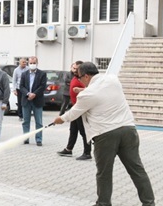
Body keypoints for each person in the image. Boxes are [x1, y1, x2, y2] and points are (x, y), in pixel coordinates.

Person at [53, 62, 155, 206]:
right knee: (137, 170)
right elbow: (101, 93)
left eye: (80, 77)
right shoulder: (113, 79)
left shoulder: (87, 94)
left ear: (87, 76)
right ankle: (149, 203)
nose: (80, 80)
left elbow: (74, 113)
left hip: (106, 135)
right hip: (128, 130)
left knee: (104, 173)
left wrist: (60, 118)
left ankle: (103, 203)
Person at [57, 61, 91, 160]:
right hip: (75, 107)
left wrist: (80, 90)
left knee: (83, 132)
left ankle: (87, 152)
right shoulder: (75, 77)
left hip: (81, 109)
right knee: (73, 130)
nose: (74, 70)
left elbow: (92, 90)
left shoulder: (84, 79)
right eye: (74, 68)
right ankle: (68, 149)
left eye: (77, 69)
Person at [19, 56, 47, 146]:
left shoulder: (42, 74)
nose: (32, 64)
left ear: (37, 63)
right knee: (25, 121)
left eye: (34, 63)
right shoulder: (24, 74)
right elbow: (21, 86)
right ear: (28, 63)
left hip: (37, 100)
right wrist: (28, 94)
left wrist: (34, 94)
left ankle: (39, 139)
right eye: (30, 63)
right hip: (26, 100)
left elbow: (42, 86)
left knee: (38, 122)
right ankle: (26, 138)